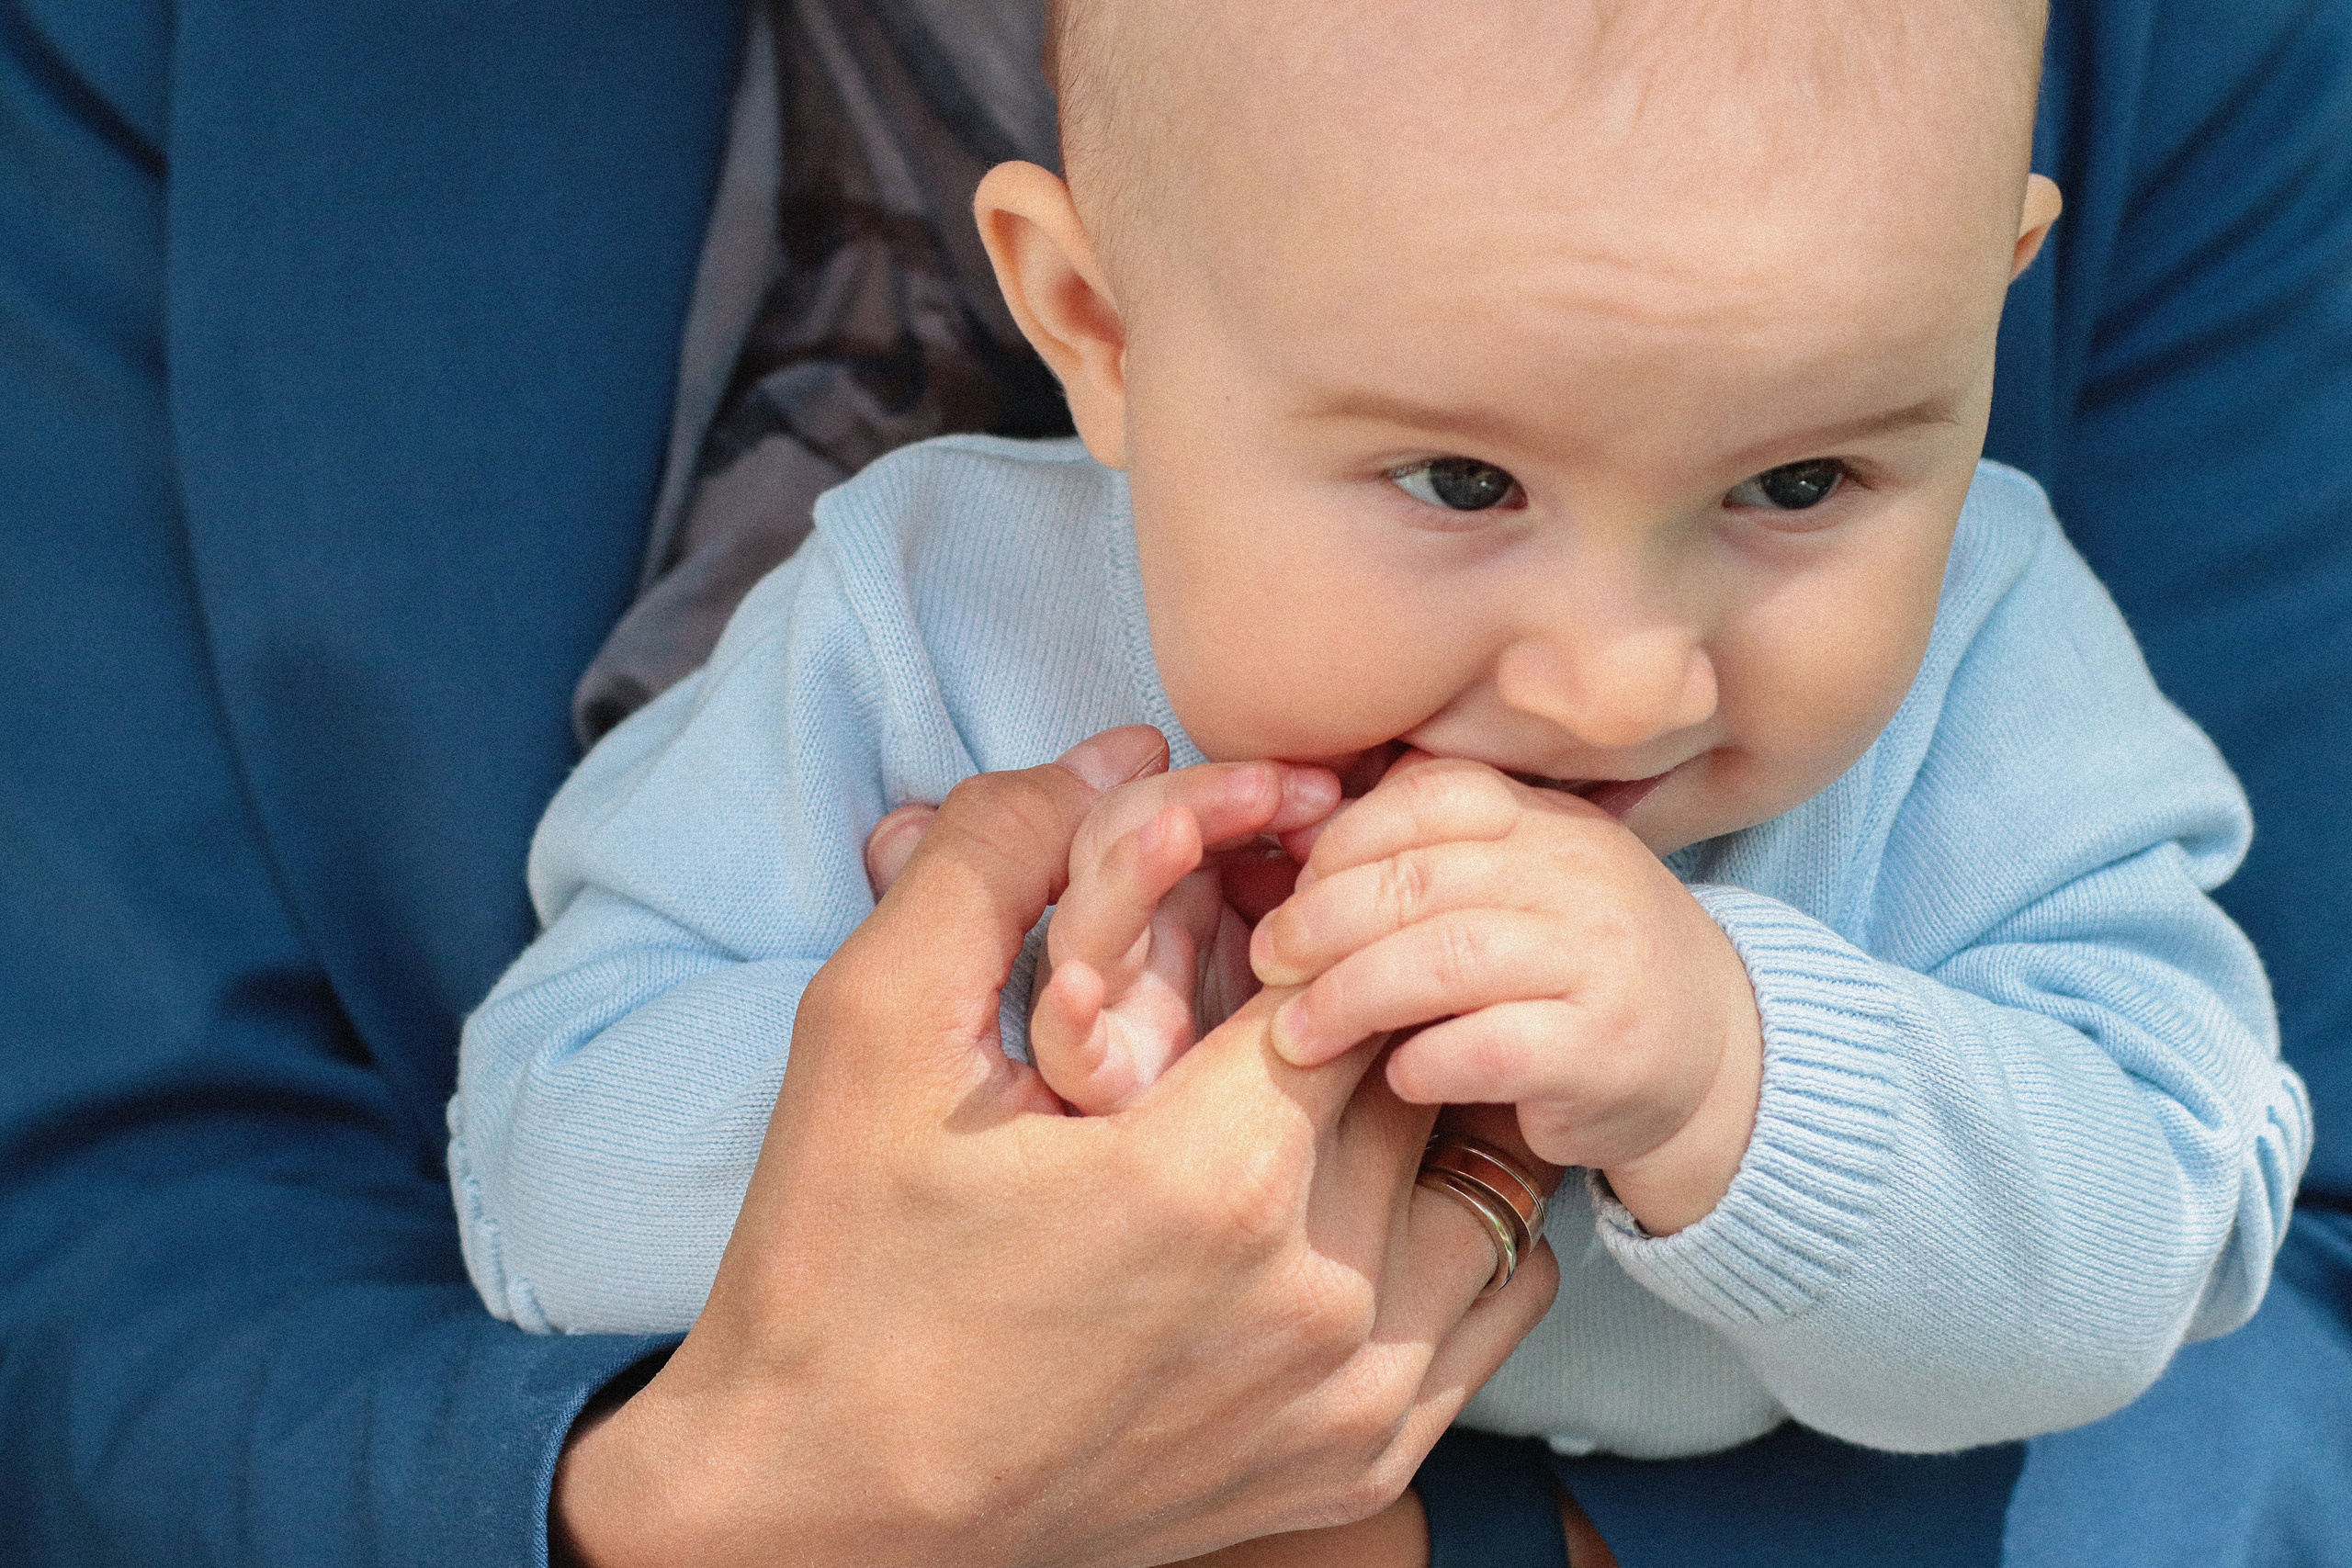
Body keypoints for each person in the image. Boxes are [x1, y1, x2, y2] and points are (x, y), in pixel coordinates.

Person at [3, 0, 2347, 1565]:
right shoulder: (915, 612)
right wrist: (998, 1089)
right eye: (1451, 476)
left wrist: (1740, 1067)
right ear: (1093, 327)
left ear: (1987, 283)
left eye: (1806, 476)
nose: (1620, 678)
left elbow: (2173, 1226)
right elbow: (531, 1155)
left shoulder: (1991, 650)